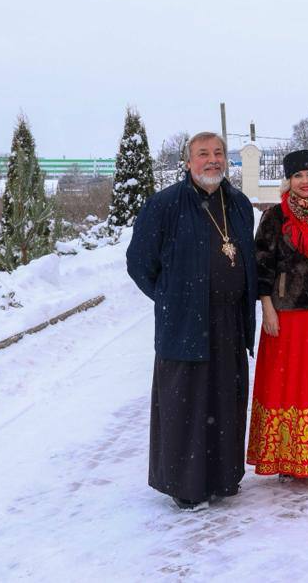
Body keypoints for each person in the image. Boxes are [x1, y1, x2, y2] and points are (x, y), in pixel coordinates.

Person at [126, 132, 256, 510]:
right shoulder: (164, 205)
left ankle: (222, 478)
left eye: (218, 153)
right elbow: (139, 263)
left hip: (230, 321)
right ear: (188, 162)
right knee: (187, 403)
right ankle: (186, 486)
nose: (212, 160)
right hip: (185, 323)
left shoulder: (239, 203)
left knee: (225, 400)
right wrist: (172, 298)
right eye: (203, 154)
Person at [246, 149, 308, 482]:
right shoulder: (275, 217)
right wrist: (267, 306)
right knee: (287, 385)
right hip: (287, 316)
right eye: (298, 176)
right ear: (288, 182)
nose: (305, 181)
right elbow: (261, 266)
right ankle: (285, 458)